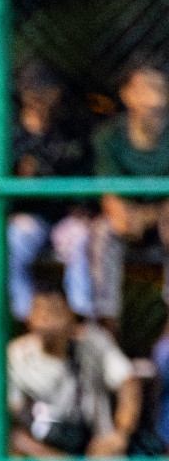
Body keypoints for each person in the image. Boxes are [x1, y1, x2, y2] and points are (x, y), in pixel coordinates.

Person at [8, 286, 141, 458]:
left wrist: (119, 434)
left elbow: (128, 381)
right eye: (41, 312)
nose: (47, 320)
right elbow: (9, 423)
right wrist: (51, 458)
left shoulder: (93, 342)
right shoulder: (17, 355)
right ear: (30, 319)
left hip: (96, 451)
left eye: (54, 311)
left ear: (70, 315)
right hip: (40, 458)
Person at [86, 55, 169, 328]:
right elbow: (117, 213)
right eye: (145, 89)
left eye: (160, 89)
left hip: (164, 225)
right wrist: (150, 213)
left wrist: (155, 215)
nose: (154, 99)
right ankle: (107, 337)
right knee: (102, 233)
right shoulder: (108, 136)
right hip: (127, 225)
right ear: (127, 95)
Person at [7, 59, 92, 320]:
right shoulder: (9, 135)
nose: (42, 96)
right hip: (30, 218)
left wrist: (83, 208)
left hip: (64, 217)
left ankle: (80, 317)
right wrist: (19, 182)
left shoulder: (69, 130)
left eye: (48, 90)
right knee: (14, 237)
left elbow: (84, 176)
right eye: (34, 89)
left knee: (80, 237)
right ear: (22, 92)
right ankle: (26, 315)